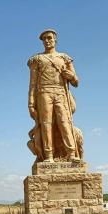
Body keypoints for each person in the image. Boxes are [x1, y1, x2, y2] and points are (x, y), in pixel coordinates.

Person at [27, 29, 81, 163]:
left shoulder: (64, 57)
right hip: (44, 92)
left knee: (65, 122)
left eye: (49, 38)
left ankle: (71, 153)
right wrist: (31, 103)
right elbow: (32, 84)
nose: (47, 40)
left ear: (55, 39)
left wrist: (71, 76)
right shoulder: (37, 59)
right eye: (44, 39)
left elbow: (76, 82)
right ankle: (49, 156)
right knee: (46, 124)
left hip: (61, 92)